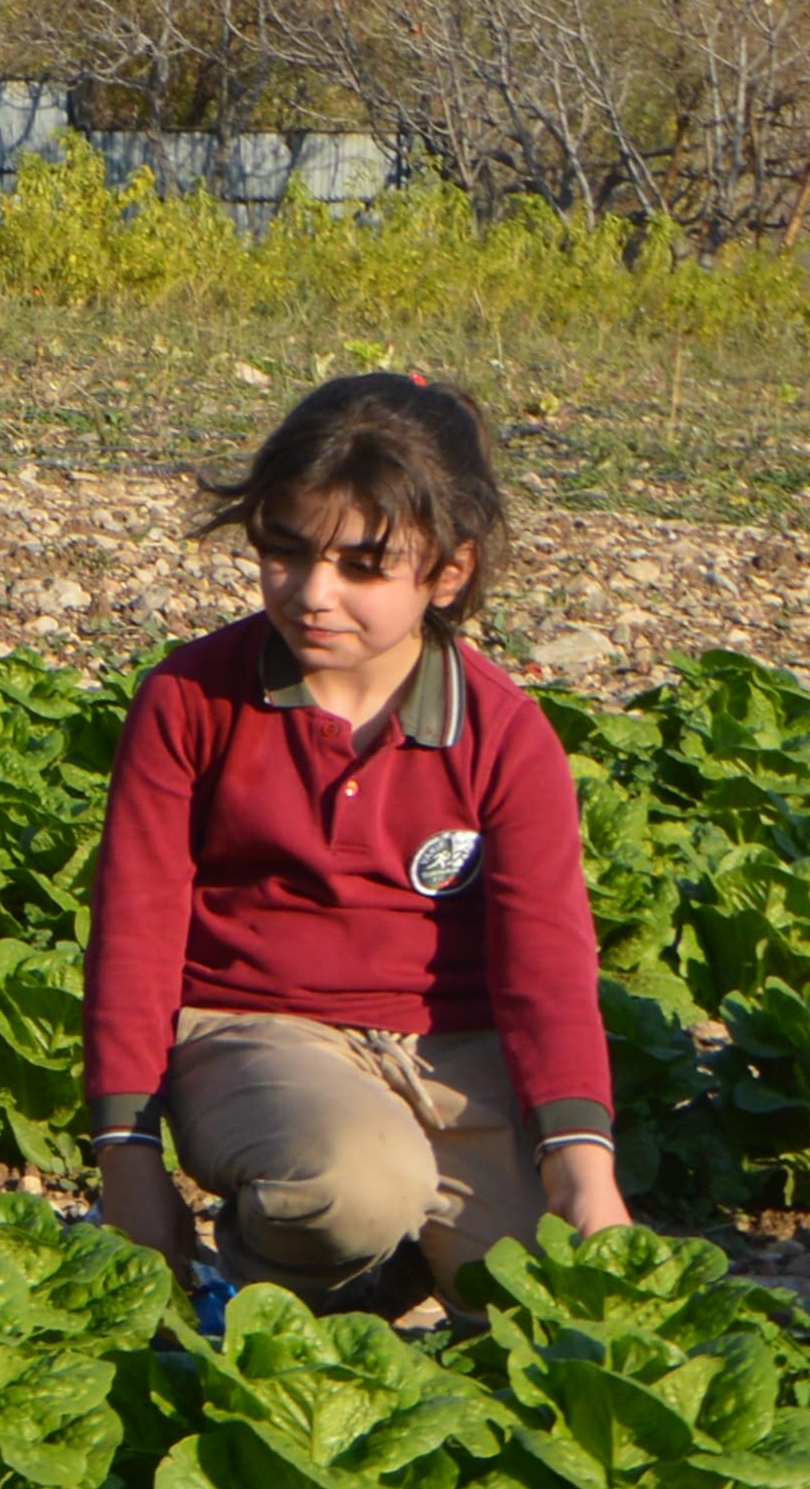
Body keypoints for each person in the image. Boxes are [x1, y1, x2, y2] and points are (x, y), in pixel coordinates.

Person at [81, 373, 625, 1306]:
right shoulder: (190, 700)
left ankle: (382, 1278)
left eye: (364, 567)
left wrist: (583, 1167)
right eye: (286, 552)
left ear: (448, 573)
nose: (313, 594)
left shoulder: (504, 734)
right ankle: (271, 1290)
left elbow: (547, 966)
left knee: (541, 1296)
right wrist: (127, 1155)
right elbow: (133, 937)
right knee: (349, 1188)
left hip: (454, 1057)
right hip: (256, 1033)